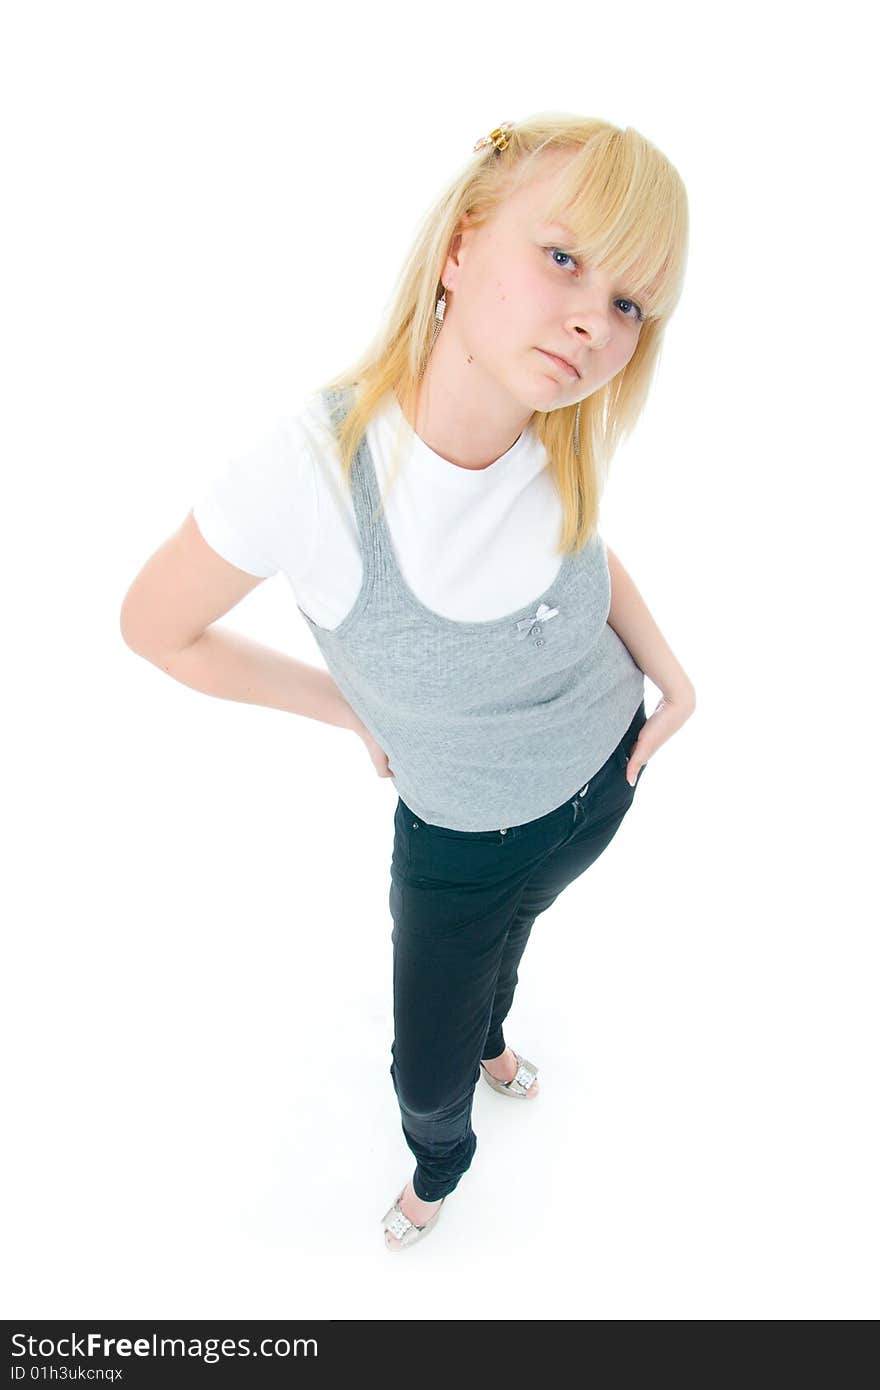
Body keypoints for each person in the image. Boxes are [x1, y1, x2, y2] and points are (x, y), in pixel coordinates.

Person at [119, 112, 696, 1252]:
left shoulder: (558, 424)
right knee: (424, 1064)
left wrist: (672, 677)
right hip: (461, 842)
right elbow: (154, 629)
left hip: (602, 784)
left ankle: (497, 1035)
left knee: (515, 945)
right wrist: (351, 707)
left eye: (629, 303)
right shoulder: (312, 474)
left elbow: (583, 549)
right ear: (460, 245)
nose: (594, 320)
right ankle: (441, 1161)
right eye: (566, 257)